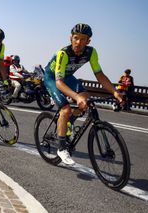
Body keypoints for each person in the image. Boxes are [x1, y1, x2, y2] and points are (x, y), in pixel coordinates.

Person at [43, 23, 123, 165]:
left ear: (88, 41)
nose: (79, 42)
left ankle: (68, 124)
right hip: (53, 78)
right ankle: (61, 148)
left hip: (68, 77)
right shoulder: (64, 53)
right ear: (71, 38)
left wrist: (115, 92)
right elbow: (59, 82)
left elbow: (99, 75)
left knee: (86, 101)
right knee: (66, 109)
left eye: (83, 39)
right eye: (76, 38)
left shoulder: (91, 52)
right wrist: (76, 96)